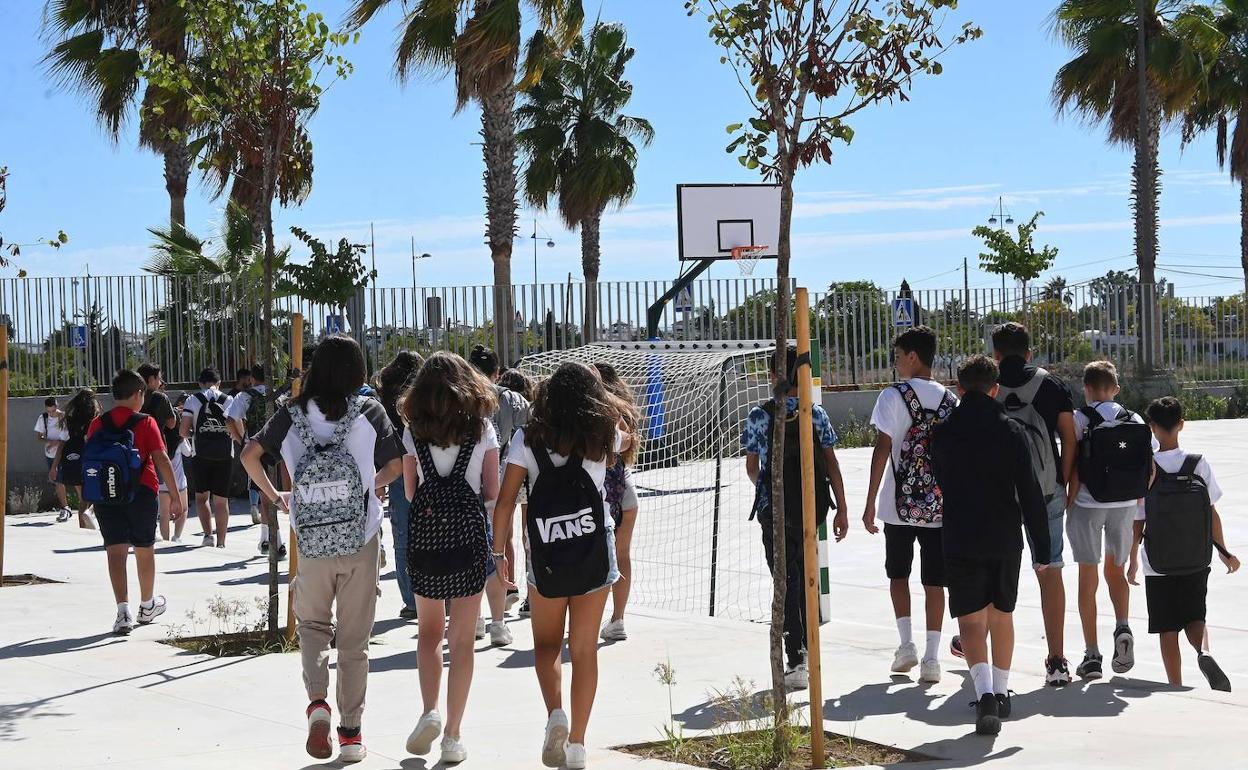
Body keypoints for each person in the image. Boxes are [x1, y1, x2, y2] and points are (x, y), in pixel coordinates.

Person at [242, 335, 403, 764]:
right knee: (354, 641)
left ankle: (317, 704)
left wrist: (276, 495)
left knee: (313, 627)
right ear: (356, 370)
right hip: (361, 537)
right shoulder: (370, 411)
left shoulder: (290, 415)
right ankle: (350, 734)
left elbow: (249, 455)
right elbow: (397, 465)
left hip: (310, 540)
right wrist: (370, 487)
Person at [491, 362, 625, 770]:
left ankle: (555, 714)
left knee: (547, 645)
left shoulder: (526, 440)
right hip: (593, 550)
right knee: (584, 650)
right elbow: (628, 438)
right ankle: (579, 745)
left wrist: (499, 555)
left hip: (546, 552)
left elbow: (505, 501)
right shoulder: (602, 435)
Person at [930, 355, 1051, 736]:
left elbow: (941, 478)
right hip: (1004, 536)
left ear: (959, 388)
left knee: (970, 617)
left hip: (961, 534)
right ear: (995, 389)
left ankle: (982, 694)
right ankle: (1002, 691)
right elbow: (1030, 492)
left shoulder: (943, 432)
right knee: (1002, 614)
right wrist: (1042, 548)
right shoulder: (1012, 431)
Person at [400, 352, 500, 764]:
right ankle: (454, 735)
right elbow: (491, 490)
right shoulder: (482, 430)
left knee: (428, 632)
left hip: (425, 540)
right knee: (461, 642)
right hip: (468, 541)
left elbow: (409, 493)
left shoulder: (413, 432)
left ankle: (429, 711)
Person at [742, 347, 848, 688]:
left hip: (773, 512)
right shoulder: (814, 414)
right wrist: (841, 507)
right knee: (806, 577)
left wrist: (770, 489)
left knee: (783, 581)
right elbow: (831, 464)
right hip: (809, 507)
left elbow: (751, 467)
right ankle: (809, 651)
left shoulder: (759, 415)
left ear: (773, 375)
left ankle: (795, 656)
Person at [981, 322, 1078, 686]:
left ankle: (980, 647)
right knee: (1050, 570)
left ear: (995, 353)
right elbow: (1069, 438)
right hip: (1046, 491)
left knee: (993, 572)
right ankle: (1056, 660)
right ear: (1029, 353)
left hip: (998, 496)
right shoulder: (1049, 384)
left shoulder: (987, 383)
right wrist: (1063, 481)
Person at [862, 325, 956, 682]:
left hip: (896, 505)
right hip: (938, 506)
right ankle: (932, 658)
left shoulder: (892, 396)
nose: (896, 362)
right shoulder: (950, 401)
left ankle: (906, 646)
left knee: (898, 574)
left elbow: (882, 448)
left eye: (898, 356)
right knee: (935, 581)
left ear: (913, 357)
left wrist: (870, 502)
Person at [1129, 397, 1240, 691]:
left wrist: (1132, 561)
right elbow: (1212, 512)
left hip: (1158, 562)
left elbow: (1139, 519)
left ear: (1152, 428)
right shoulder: (1197, 463)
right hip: (1195, 557)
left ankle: (1175, 685)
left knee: (1167, 627)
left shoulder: (1149, 468)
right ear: (1181, 424)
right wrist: (1225, 552)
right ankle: (1204, 652)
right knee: (1195, 616)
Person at [84, 369, 184, 635]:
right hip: (141, 492)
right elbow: (161, 459)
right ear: (139, 394)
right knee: (144, 548)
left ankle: (122, 612)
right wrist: (174, 495)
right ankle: (148, 605)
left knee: (115, 552)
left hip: (106, 495)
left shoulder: (98, 423)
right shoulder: (146, 422)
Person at [1069, 360, 1152, 680]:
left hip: (1089, 504)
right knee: (1115, 570)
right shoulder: (1135, 418)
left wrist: (1068, 497)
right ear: (1116, 389)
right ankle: (1122, 625)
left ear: (1086, 388)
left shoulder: (1080, 418)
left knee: (1087, 576)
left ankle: (1091, 655)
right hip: (1126, 505)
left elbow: (1073, 463)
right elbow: (1150, 466)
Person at [469, 344, 531, 638]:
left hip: (470, 484)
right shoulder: (516, 401)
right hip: (513, 477)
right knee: (509, 540)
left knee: (475, 548)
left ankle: (477, 613)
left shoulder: (461, 401)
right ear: (497, 373)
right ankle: (514, 592)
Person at [593, 363, 644, 643]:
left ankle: (593, 618)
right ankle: (618, 618)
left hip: (602, 493)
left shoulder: (595, 411)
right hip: (626, 488)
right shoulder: (623, 409)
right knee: (622, 555)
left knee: (599, 559)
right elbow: (629, 443)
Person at [378, 350, 425, 619]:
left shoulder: (384, 398)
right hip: (425, 465)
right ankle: (441, 593)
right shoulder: (422, 394)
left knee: (403, 535)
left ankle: (411, 601)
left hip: (395, 467)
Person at [228, 364, 285, 558]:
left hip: (257, 448)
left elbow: (230, 419)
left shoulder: (245, 396)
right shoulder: (278, 395)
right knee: (282, 493)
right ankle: (272, 538)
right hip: (280, 449)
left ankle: (271, 539)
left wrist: (240, 440)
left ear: (252, 378)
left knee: (265, 495)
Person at [181, 368, 234, 547]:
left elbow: (183, 431)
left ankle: (208, 536)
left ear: (200, 383)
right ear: (218, 383)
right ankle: (221, 542)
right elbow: (235, 429)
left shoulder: (192, 400)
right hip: (225, 455)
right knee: (221, 501)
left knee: (202, 498)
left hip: (200, 454)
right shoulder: (228, 400)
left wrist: (196, 433)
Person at [498, 367, 536, 617]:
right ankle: (532, 592)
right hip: (529, 475)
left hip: (506, 471)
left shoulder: (499, 402)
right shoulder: (527, 408)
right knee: (529, 536)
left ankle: (508, 586)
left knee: (507, 537)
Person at [138, 363, 187, 543]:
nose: (160, 382)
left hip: (136, 449)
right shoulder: (160, 398)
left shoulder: (135, 396)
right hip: (156, 448)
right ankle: (152, 527)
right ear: (151, 380)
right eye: (158, 378)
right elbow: (172, 423)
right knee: (153, 489)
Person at [49, 388, 101, 530]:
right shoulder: (95, 420)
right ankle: (88, 514)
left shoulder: (69, 420)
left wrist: (54, 467)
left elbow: (61, 444)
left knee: (83, 497)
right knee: (96, 494)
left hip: (73, 461)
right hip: (91, 460)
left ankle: (83, 527)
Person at [35, 396, 72, 521]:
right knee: (57, 480)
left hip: (65, 453)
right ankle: (65, 507)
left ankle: (71, 507)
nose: (51, 414)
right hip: (50, 454)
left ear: (57, 407)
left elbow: (66, 437)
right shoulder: (43, 418)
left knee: (71, 479)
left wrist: (56, 442)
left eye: (53, 411)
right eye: (49, 411)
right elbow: (39, 436)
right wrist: (49, 441)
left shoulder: (64, 418)